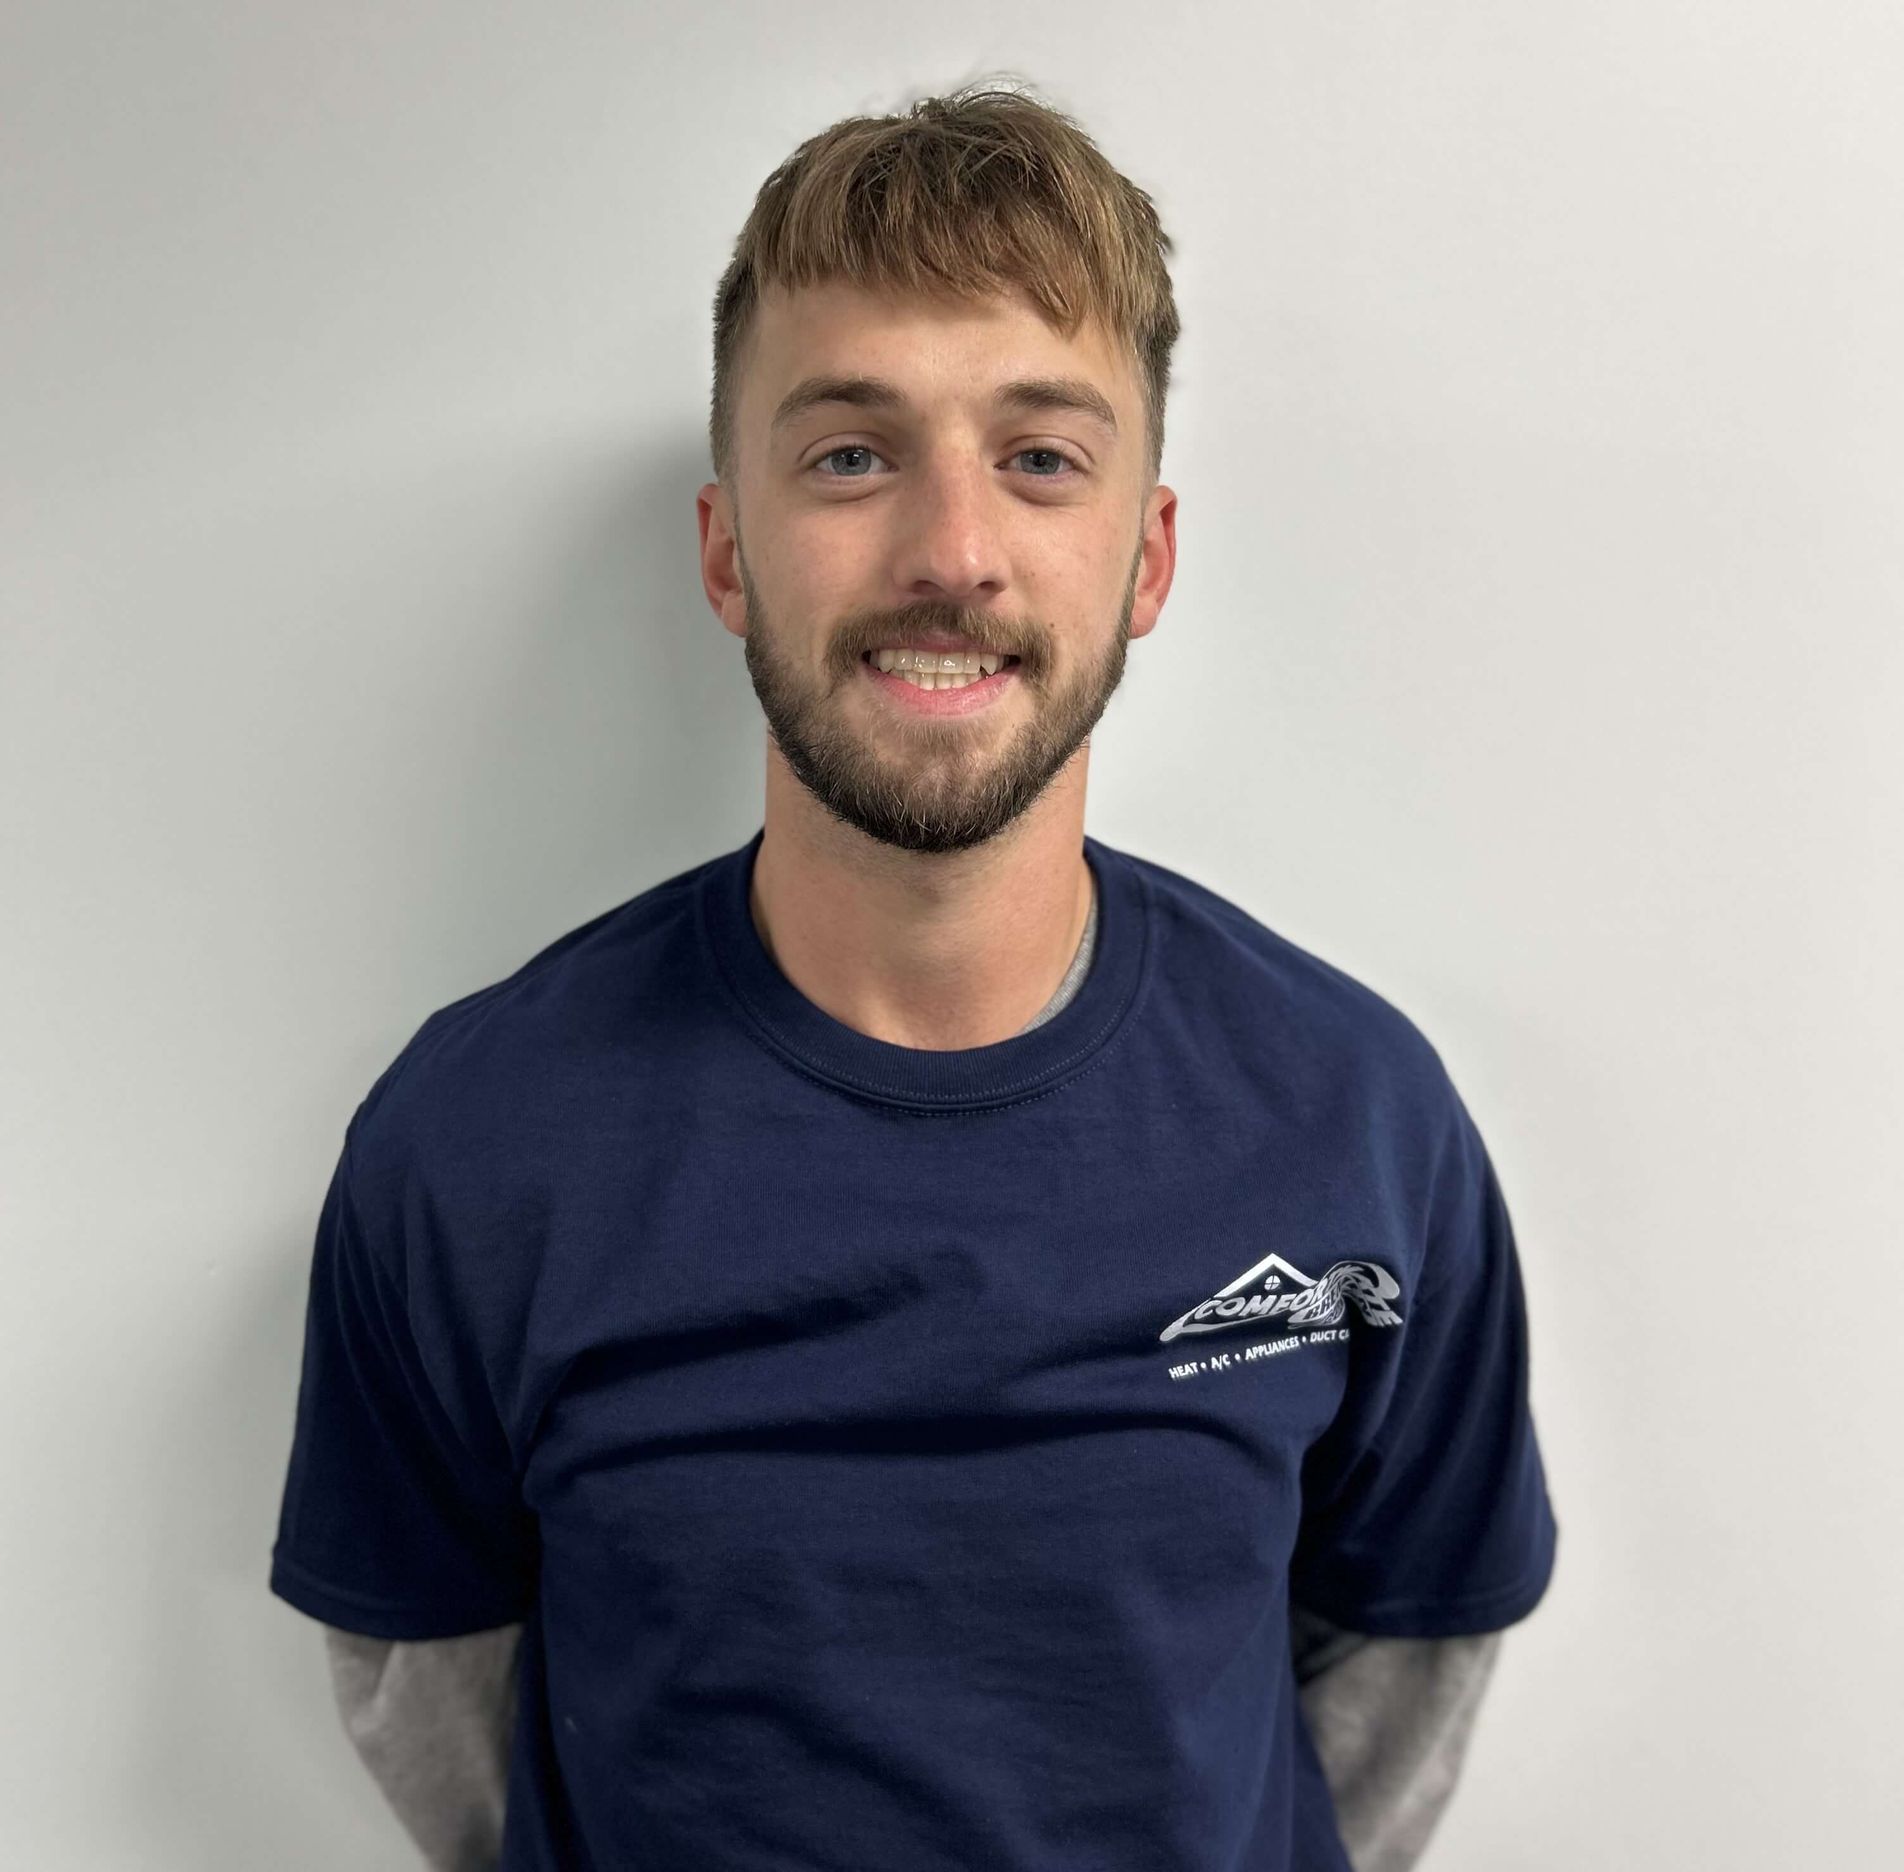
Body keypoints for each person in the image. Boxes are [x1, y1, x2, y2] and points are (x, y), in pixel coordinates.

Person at [269, 80, 1558, 1872]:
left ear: (1147, 557)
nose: (952, 554)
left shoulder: (1354, 1117)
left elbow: (1409, 1648)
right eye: (852, 454)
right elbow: (427, 1680)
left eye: (1041, 456)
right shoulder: (477, 1143)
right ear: (729, 550)